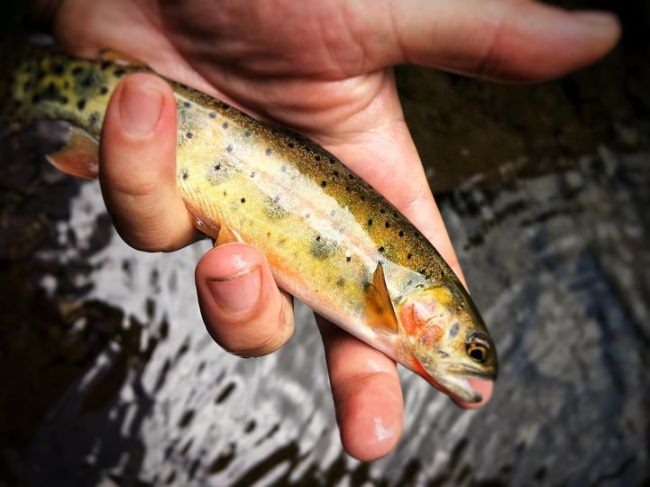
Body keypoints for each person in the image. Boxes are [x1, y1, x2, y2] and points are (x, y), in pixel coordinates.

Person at [32, 0, 619, 461]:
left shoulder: (402, 306)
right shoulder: (391, 303)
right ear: (427, 310)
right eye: (472, 348)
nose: (467, 360)